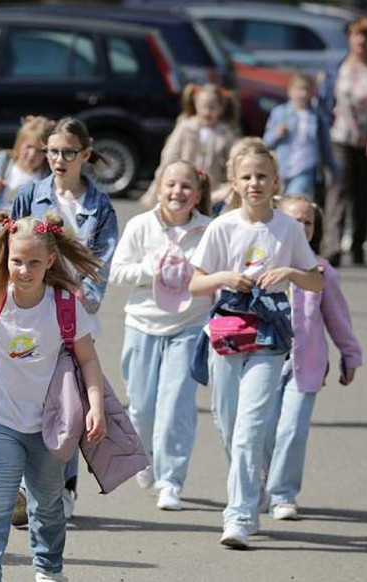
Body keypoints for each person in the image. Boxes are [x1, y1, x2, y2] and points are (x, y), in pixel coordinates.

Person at [0, 211, 108, 582]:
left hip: (50, 423)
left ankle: (48, 568)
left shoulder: (65, 306)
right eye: (17, 261)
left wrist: (97, 407)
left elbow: (88, 359)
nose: (23, 270)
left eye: (34, 262)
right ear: (6, 256)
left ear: (50, 261)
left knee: (48, 504)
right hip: (0, 418)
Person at [189, 139, 323, 549]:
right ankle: (251, 487)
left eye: (262, 176)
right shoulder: (222, 226)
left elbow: (315, 279)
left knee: (250, 429)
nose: (254, 184)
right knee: (229, 426)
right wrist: (225, 278)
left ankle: (239, 517)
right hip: (227, 329)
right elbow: (196, 283)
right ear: (233, 182)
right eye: (246, 177)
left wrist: (290, 272)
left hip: (270, 333)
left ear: (276, 181)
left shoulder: (286, 227)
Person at [11, 116, 119, 519]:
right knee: (28, 395)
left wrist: (79, 303)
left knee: (67, 402)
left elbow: (102, 262)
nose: (58, 159)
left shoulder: (99, 205)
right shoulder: (29, 195)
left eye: (68, 153)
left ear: (85, 155)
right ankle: (25, 486)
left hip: (72, 315)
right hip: (30, 307)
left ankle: (64, 486)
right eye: (52, 151)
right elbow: (12, 245)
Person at [109, 161, 213, 510]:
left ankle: (171, 481)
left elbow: (216, 275)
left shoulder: (209, 230)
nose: (177, 192)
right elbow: (117, 273)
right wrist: (150, 267)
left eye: (186, 186)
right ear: (159, 187)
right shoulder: (141, 226)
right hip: (142, 324)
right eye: (171, 185)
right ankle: (146, 455)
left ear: (197, 194)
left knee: (176, 407)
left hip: (189, 326)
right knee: (141, 406)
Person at [264, 197, 362, 521]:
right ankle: (257, 486)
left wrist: (350, 355)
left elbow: (338, 320)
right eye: (293, 220)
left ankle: (283, 494)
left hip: (305, 366)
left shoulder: (322, 272)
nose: (300, 227)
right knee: (263, 430)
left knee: (292, 429)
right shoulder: (260, 261)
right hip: (263, 360)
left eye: (307, 222)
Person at [319, 17, 367, 267]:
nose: (361, 41)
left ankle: (359, 242)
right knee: (337, 190)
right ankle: (333, 246)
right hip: (339, 136)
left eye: (366, 36)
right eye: (356, 35)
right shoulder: (336, 68)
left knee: (363, 195)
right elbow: (324, 104)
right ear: (350, 38)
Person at [141, 84, 237, 210]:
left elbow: (233, 163)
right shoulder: (186, 128)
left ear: (221, 108)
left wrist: (228, 186)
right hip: (184, 188)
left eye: (213, 108)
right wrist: (154, 191)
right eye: (204, 107)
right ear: (196, 105)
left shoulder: (225, 134)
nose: (207, 112)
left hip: (212, 193)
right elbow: (168, 158)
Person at [263, 73, 338, 202]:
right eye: (299, 89)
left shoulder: (317, 117)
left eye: (307, 90)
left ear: (313, 92)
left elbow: (325, 144)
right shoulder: (280, 112)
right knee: (277, 204)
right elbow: (266, 142)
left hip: (305, 169)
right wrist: (277, 134)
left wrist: (331, 167)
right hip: (281, 168)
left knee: (294, 200)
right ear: (290, 91)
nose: (303, 94)